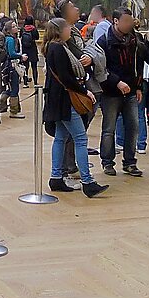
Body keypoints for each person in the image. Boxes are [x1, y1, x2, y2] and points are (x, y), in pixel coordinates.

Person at [41, 18, 108, 197]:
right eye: (68, 27)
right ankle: (88, 181)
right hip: (66, 99)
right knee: (80, 139)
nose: (70, 30)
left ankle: (56, 177)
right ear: (60, 30)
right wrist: (85, 91)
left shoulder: (52, 47)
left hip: (57, 100)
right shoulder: (58, 48)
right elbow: (66, 77)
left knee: (61, 138)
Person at [97, 8, 146, 177]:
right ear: (116, 21)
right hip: (111, 92)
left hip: (131, 91)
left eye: (130, 21)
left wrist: (138, 86)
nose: (129, 24)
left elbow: (139, 65)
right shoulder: (104, 41)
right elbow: (101, 68)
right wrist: (116, 82)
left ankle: (130, 162)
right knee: (109, 128)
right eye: (125, 21)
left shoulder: (135, 40)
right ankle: (107, 162)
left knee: (133, 126)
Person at [3, 20, 27, 119]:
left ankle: (0, 102)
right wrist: (21, 56)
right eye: (13, 26)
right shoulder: (11, 39)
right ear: (9, 29)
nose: (16, 27)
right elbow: (12, 53)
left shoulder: (10, 38)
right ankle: (13, 110)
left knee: (11, 87)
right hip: (12, 65)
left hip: (9, 65)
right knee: (14, 88)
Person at [20, 16, 40, 86]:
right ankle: (35, 82)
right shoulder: (34, 29)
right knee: (34, 67)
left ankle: (25, 83)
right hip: (33, 49)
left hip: (25, 49)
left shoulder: (23, 29)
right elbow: (37, 37)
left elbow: (20, 37)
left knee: (25, 67)